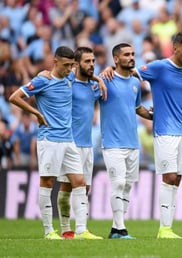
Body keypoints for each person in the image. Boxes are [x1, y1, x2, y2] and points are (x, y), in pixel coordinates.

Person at [8, 46, 102, 240]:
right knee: (48, 183)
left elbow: (84, 73)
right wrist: (36, 113)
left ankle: (81, 230)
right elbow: (14, 97)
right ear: (55, 62)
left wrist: (99, 78)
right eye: (66, 65)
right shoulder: (43, 80)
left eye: (71, 65)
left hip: (69, 140)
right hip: (49, 139)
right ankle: (48, 231)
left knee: (80, 183)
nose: (69, 69)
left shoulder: (69, 77)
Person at [136, 32, 182, 239]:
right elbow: (130, 76)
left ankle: (168, 227)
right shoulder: (159, 67)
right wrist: (108, 71)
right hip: (165, 130)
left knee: (178, 178)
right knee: (169, 176)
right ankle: (164, 228)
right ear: (175, 48)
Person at [101, 43, 153, 240]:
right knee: (118, 183)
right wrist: (104, 71)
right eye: (126, 55)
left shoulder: (134, 82)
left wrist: (154, 116)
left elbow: (138, 108)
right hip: (112, 143)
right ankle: (121, 229)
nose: (131, 57)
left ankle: (116, 229)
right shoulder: (106, 79)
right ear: (115, 59)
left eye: (133, 54)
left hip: (132, 143)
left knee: (128, 186)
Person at [55, 46, 104, 239]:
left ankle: (72, 229)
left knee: (84, 188)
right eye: (87, 61)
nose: (91, 65)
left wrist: (100, 77)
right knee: (74, 186)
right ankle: (75, 229)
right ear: (76, 64)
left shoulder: (94, 87)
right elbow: (50, 76)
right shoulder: (67, 82)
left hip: (87, 145)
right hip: (70, 144)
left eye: (93, 61)